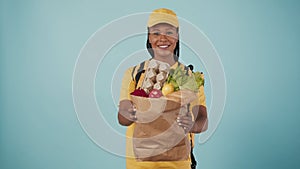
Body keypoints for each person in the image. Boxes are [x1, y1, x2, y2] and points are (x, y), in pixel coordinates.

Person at [118, 8, 208, 169]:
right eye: (156, 33)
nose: (163, 38)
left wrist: (191, 126)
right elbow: (122, 119)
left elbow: (203, 120)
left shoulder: (190, 77)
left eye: (169, 32)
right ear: (149, 37)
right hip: (139, 164)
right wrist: (129, 113)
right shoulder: (134, 73)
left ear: (177, 36)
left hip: (178, 162)